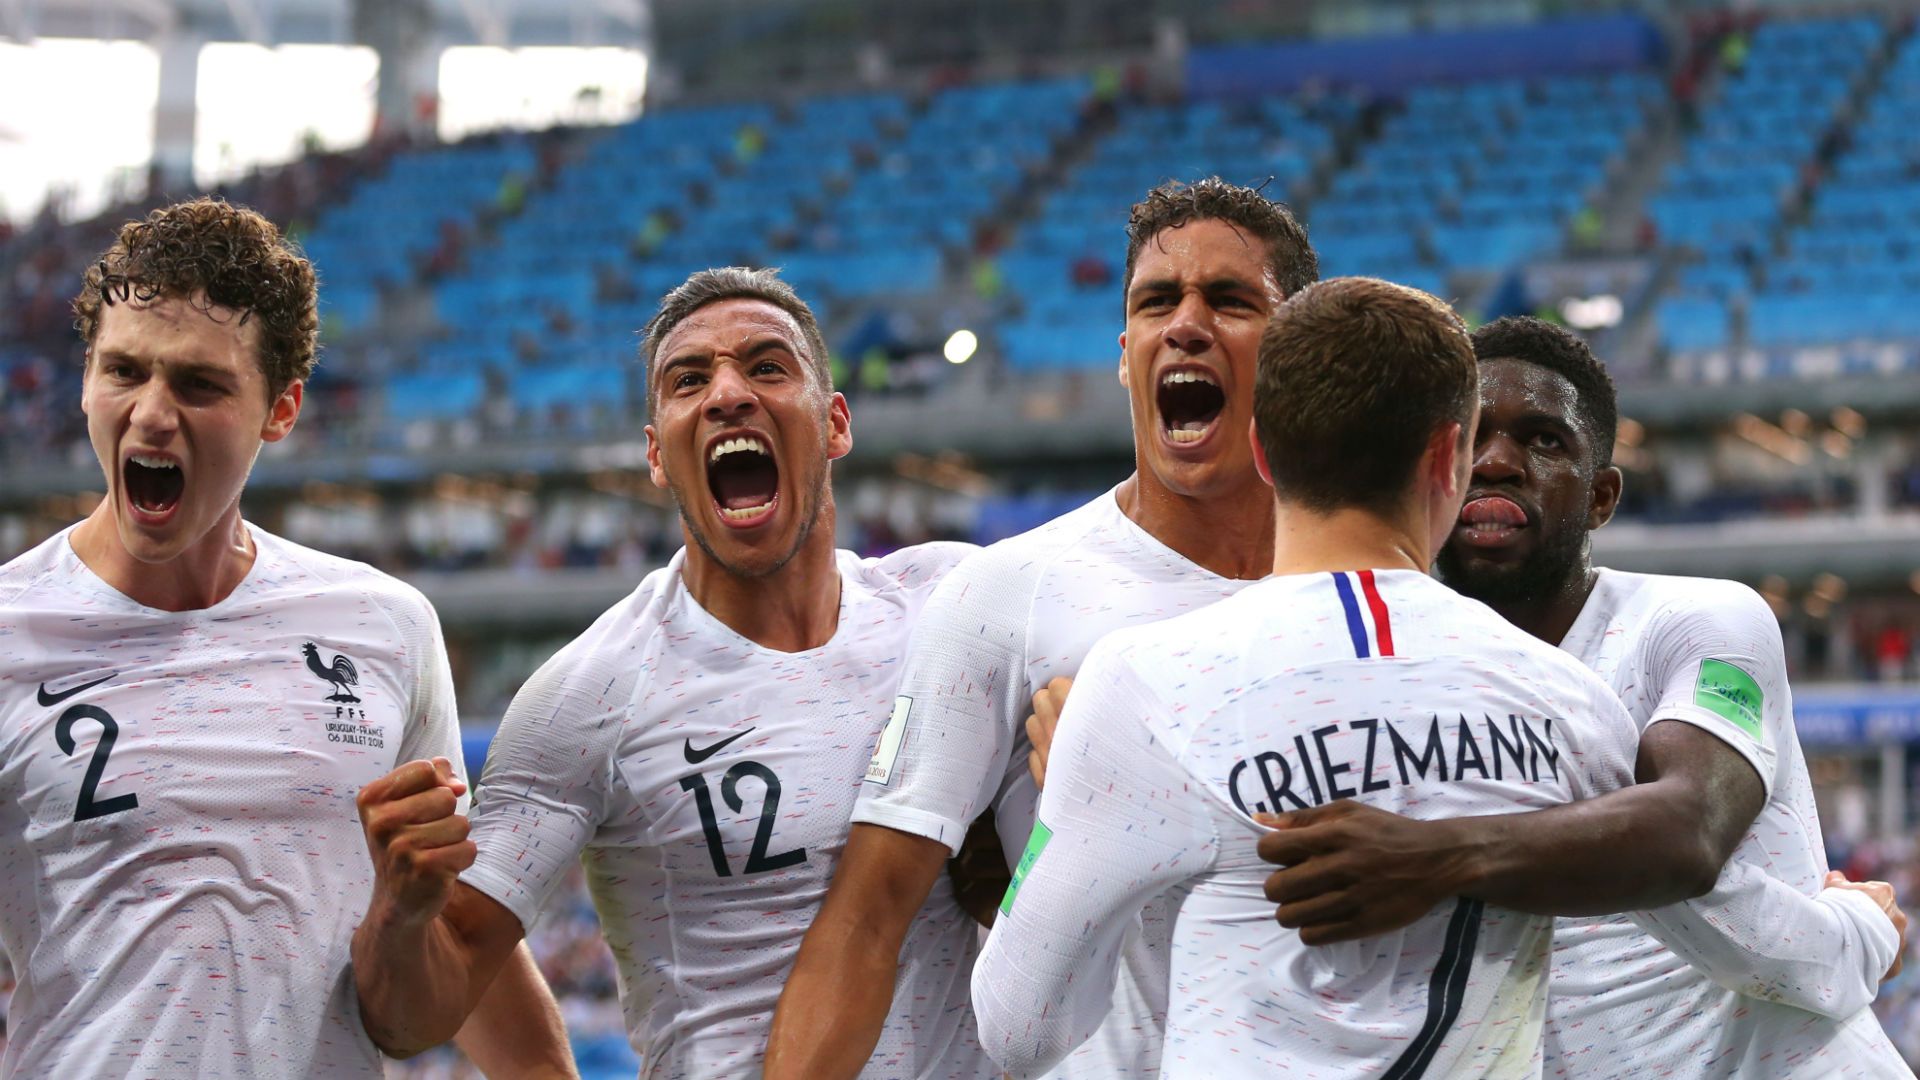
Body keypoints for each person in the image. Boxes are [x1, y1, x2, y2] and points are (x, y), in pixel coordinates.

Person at [971, 277, 1645, 1076]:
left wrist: (1072, 805)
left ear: (1262, 450)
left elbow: (1019, 1026)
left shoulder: (1148, 685)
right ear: (1448, 457)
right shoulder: (1570, 700)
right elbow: (1701, 923)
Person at [350, 267, 996, 1078]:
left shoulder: (948, 609)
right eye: (689, 380)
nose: (727, 393)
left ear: (835, 424)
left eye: (767, 366)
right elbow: (414, 1020)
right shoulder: (591, 694)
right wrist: (402, 914)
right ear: (657, 455)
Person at [1251, 315, 1910, 1077]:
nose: (1496, 461)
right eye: (1471, 437)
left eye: (1543, 440)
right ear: (1433, 474)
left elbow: (1688, 831)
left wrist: (1431, 857)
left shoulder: (1699, 620)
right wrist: (1851, 938)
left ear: (1601, 498)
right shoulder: (1387, 682)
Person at [0, 198, 570, 1078]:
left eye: (199, 384)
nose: (152, 414)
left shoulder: (384, 627)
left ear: (282, 410)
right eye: (123, 372)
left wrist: (408, 911)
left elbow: (434, 985)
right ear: (84, 383)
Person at [764, 177, 1319, 1079]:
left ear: (1296, 349)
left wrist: (1113, 786)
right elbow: (867, 918)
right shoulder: (1006, 594)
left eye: (1229, 300)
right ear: (1125, 351)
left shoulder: (1371, 602)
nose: (1185, 324)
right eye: (1155, 303)